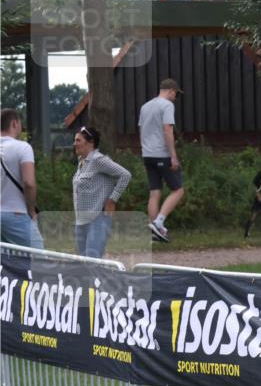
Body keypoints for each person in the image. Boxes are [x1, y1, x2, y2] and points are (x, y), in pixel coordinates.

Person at [71, 126, 131, 258]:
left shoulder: (98, 160)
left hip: (97, 219)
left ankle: (105, 279)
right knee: (84, 263)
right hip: (81, 221)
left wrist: (112, 200)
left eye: (78, 140)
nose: (74, 144)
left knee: (93, 262)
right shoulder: (81, 162)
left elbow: (125, 175)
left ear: (90, 142)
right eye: (75, 140)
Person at [138, 78, 184, 242]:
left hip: (147, 154)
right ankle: (159, 222)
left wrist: (145, 150)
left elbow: (142, 130)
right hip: (162, 154)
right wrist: (173, 155)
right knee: (178, 190)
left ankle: (154, 232)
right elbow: (167, 129)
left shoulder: (145, 107)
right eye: (176, 94)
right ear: (171, 90)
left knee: (154, 193)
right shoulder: (167, 106)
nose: (175, 98)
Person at [0, 109, 43, 249]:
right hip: (16, 213)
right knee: (39, 259)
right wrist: (31, 210)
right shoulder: (23, 148)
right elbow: (29, 183)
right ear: (14, 123)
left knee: (6, 263)